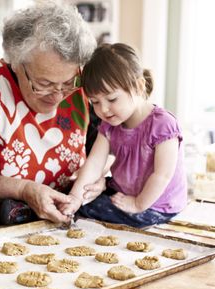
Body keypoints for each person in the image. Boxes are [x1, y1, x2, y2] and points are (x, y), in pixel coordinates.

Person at [0, 1, 104, 227]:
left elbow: (104, 150)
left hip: (64, 228)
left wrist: (98, 180)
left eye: (67, 83)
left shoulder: (83, 87)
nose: (58, 95)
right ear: (15, 62)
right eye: (44, 83)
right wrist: (24, 190)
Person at [60, 43, 187, 227]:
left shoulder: (162, 124)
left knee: (90, 211)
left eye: (112, 99)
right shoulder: (110, 125)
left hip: (156, 205)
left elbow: (162, 175)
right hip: (124, 193)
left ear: (138, 86)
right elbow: (95, 163)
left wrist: (137, 204)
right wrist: (75, 197)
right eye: (95, 102)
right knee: (79, 200)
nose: (103, 109)